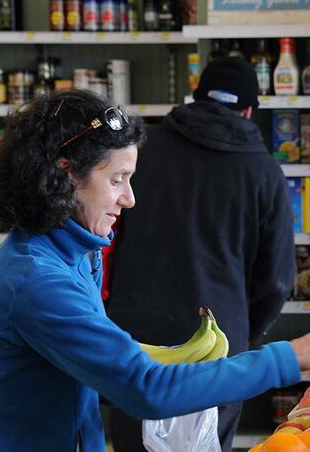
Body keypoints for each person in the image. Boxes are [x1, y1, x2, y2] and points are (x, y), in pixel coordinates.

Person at [0, 90, 310, 452]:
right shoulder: (38, 282)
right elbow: (146, 388)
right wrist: (292, 357)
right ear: (66, 176)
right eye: (117, 179)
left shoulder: (74, 252)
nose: (129, 199)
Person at [105, 56, 297, 451]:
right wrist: (241, 329)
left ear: (195, 97)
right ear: (247, 111)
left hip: (135, 336)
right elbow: (277, 281)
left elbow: (106, 234)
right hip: (219, 342)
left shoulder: (141, 150)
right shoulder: (263, 172)